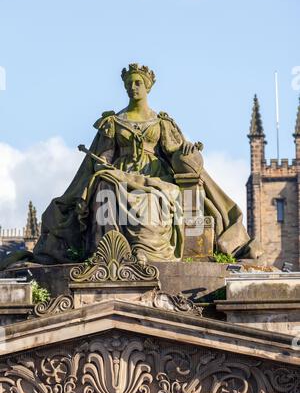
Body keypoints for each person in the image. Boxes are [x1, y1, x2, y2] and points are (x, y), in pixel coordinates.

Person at [1, 64, 261, 269]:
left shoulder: (161, 123)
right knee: (105, 186)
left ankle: (146, 250)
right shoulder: (113, 122)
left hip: (155, 178)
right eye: (129, 84)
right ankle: (106, 252)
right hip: (119, 174)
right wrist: (100, 174)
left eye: (138, 83)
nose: (133, 87)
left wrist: (189, 157)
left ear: (147, 87)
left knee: (152, 199)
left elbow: (179, 157)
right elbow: (97, 162)